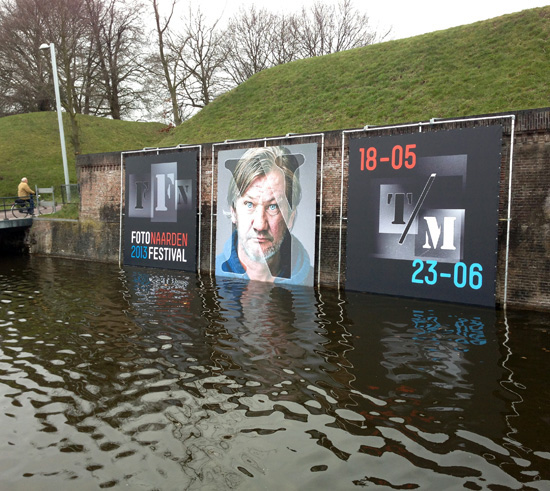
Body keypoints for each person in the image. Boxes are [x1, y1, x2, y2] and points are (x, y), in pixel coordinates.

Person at [216, 146, 313, 286]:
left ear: (291, 217)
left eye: (273, 207)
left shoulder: (310, 280)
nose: (260, 225)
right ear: (233, 211)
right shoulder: (217, 272)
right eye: (249, 204)